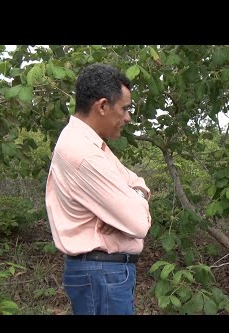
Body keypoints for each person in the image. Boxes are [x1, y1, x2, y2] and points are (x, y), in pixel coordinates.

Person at [45, 63, 152, 315]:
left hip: (104, 275)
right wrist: (133, 210)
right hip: (102, 276)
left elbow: (138, 181)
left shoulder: (89, 144)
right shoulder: (84, 154)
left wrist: (137, 195)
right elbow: (138, 224)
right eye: (125, 109)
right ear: (102, 106)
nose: (127, 117)